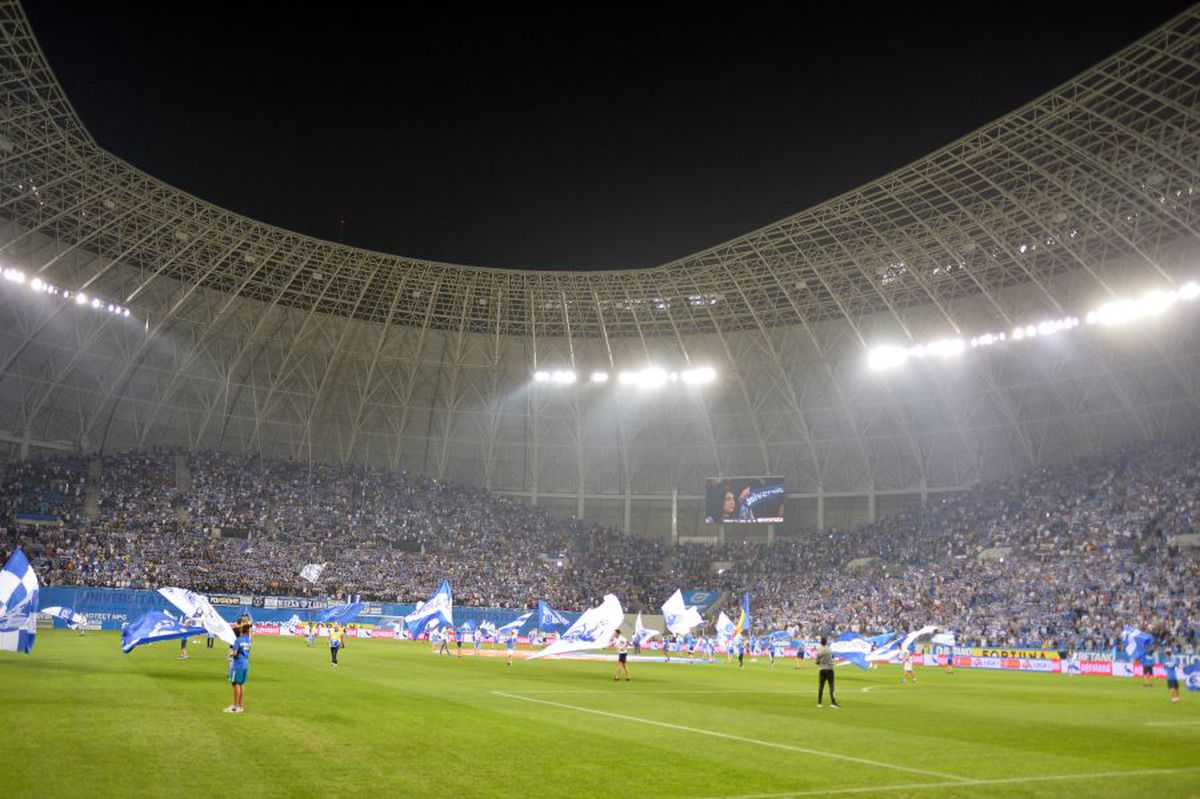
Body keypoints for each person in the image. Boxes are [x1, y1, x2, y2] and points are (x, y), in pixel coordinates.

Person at [225, 622, 251, 713]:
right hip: (245, 663)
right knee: (241, 684)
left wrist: (230, 654)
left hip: (238, 664)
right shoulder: (248, 640)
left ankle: (235, 707)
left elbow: (235, 653)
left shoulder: (238, 640)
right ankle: (239, 705)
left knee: (235, 683)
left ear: (240, 630)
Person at [815, 636, 838, 708]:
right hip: (830, 669)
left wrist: (819, 663)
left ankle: (819, 702)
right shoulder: (829, 649)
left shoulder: (819, 650)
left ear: (821, 642)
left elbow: (817, 661)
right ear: (826, 642)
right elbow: (832, 657)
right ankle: (833, 702)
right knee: (831, 686)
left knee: (821, 686)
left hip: (822, 669)